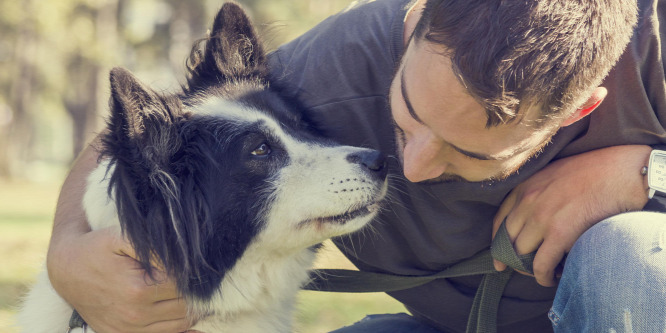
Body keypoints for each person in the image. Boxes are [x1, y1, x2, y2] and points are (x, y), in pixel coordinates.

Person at [47, 0, 666, 332]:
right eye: (405, 119)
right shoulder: (333, 66)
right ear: (418, 18)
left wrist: (641, 173)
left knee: (626, 255)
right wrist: (67, 253)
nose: (413, 168)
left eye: (467, 153)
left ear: (577, 110)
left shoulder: (652, 52)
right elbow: (148, 133)